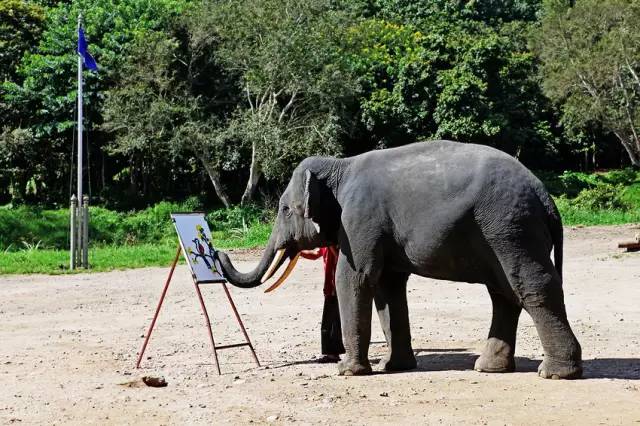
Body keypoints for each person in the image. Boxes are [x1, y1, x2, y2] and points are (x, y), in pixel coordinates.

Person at [300, 246, 345, 363]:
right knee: (328, 322)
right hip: (330, 288)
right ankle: (331, 353)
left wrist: (331, 246)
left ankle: (333, 354)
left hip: (338, 288)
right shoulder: (325, 246)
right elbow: (315, 254)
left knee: (334, 322)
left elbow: (342, 261)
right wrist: (298, 252)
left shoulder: (340, 246)